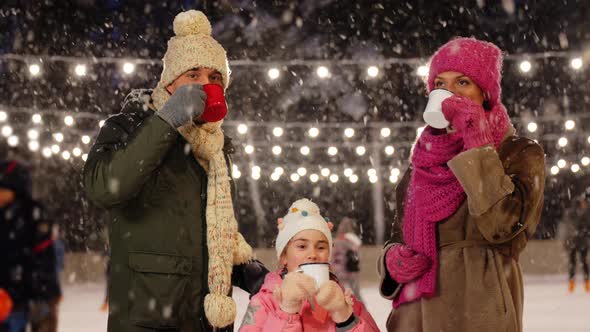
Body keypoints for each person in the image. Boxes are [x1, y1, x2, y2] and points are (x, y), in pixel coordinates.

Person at [83, 10, 268, 332]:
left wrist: (244, 268)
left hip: (206, 319)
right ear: (170, 82)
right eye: (193, 75)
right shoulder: (127, 127)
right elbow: (105, 187)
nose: (205, 85)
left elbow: (208, 232)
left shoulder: (216, 146)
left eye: (214, 78)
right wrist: (167, 121)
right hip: (148, 317)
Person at [378, 38, 545, 332]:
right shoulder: (420, 165)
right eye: (440, 85)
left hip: (479, 310)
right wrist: (391, 261)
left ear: (485, 93)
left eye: (463, 82)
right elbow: (399, 237)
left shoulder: (518, 153)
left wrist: (477, 145)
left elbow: (504, 230)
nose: (449, 93)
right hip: (418, 314)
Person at [239, 199, 379, 332]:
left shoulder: (345, 301)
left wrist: (346, 320)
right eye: (302, 246)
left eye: (321, 247)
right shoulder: (264, 302)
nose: (313, 254)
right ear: (284, 257)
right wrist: (286, 312)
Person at [0, 160, 61, 332]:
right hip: (8, 294)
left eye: (3, 189)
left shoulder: (32, 214)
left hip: (33, 293)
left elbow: (43, 258)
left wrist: (39, 296)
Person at [330, 217, 363, 302]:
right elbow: (357, 256)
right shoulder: (353, 240)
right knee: (356, 293)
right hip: (352, 270)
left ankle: (344, 310)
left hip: (339, 270)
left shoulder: (337, 241)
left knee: (340, 292)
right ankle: (361, 310)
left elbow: (333, 257)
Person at [561, 195, 590, 293]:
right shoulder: (583, 214)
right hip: (578, 242)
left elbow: (568, 229)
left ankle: (575, 283)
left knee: (574, 263)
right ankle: (580, 283)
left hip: (575, 242)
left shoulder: (571, 214)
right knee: (579, 262)